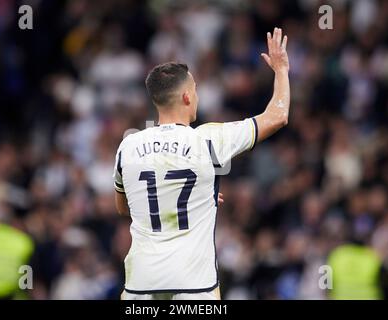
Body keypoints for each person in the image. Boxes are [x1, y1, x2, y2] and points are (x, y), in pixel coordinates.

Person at [114, 28, 290, 300]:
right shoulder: (208, 140)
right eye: (195, 89)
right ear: (186, 96)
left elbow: (124, 208)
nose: (197, 95)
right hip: (194, 285)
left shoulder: (128, 146)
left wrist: (195, 197)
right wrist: (280, 69)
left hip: (141, 283)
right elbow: (277, 116)